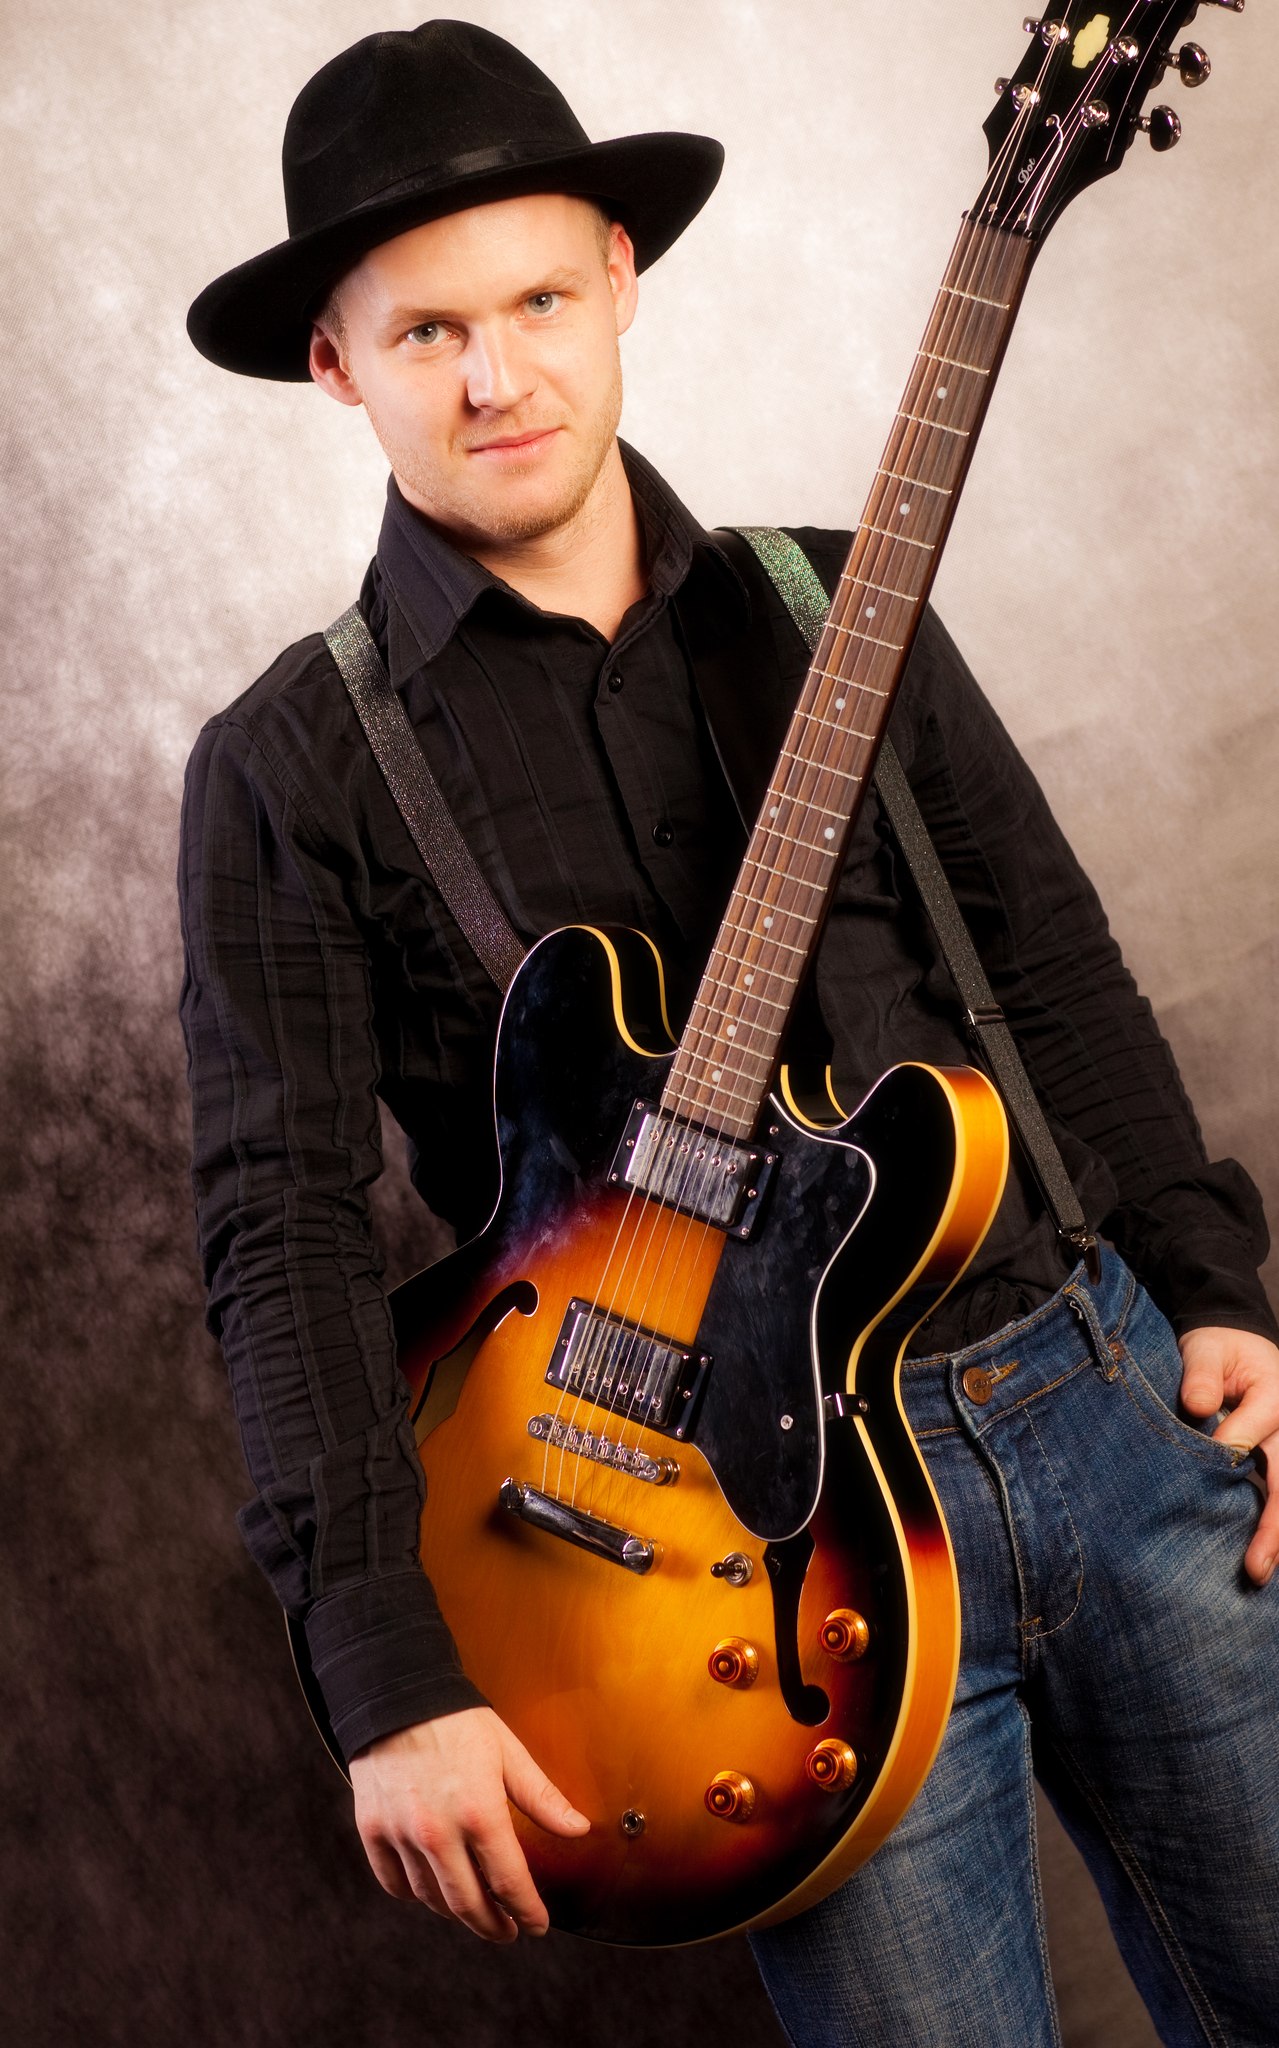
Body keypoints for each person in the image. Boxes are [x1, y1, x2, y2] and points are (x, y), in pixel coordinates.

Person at [180, 20, 1279, 2046]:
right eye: (427, 333)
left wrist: (1215, 1286)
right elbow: (284, 1234)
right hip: (730, 1560)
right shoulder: (290, 764)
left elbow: (1048, 964)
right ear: (335, 365)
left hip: (1101, 1408)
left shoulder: (842, 596)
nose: (497, 375)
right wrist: (387, 1671)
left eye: (536, 300)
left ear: (620, 276)